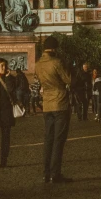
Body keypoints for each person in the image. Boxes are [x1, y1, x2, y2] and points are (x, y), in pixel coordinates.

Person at [35, 36, 72, 183]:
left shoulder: (38, 64)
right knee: (58, 140)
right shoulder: (57, 62)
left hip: (47, 104)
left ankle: (46, 173)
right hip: (60, 103)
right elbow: (68, 80)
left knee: (48, 139)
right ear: (55, 48)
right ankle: (55, 174)